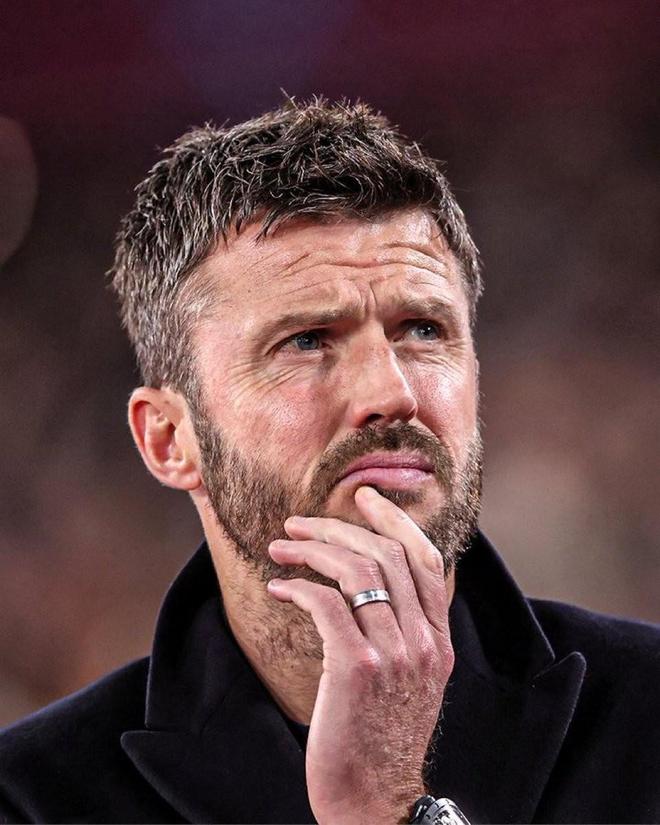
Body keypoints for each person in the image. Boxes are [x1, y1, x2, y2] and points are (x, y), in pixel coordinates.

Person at [0, 97, 658, 825]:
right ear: (169, 439)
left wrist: (388, 808)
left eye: (422, 329)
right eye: (307, 340)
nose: (392, 393)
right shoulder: (30, 797)